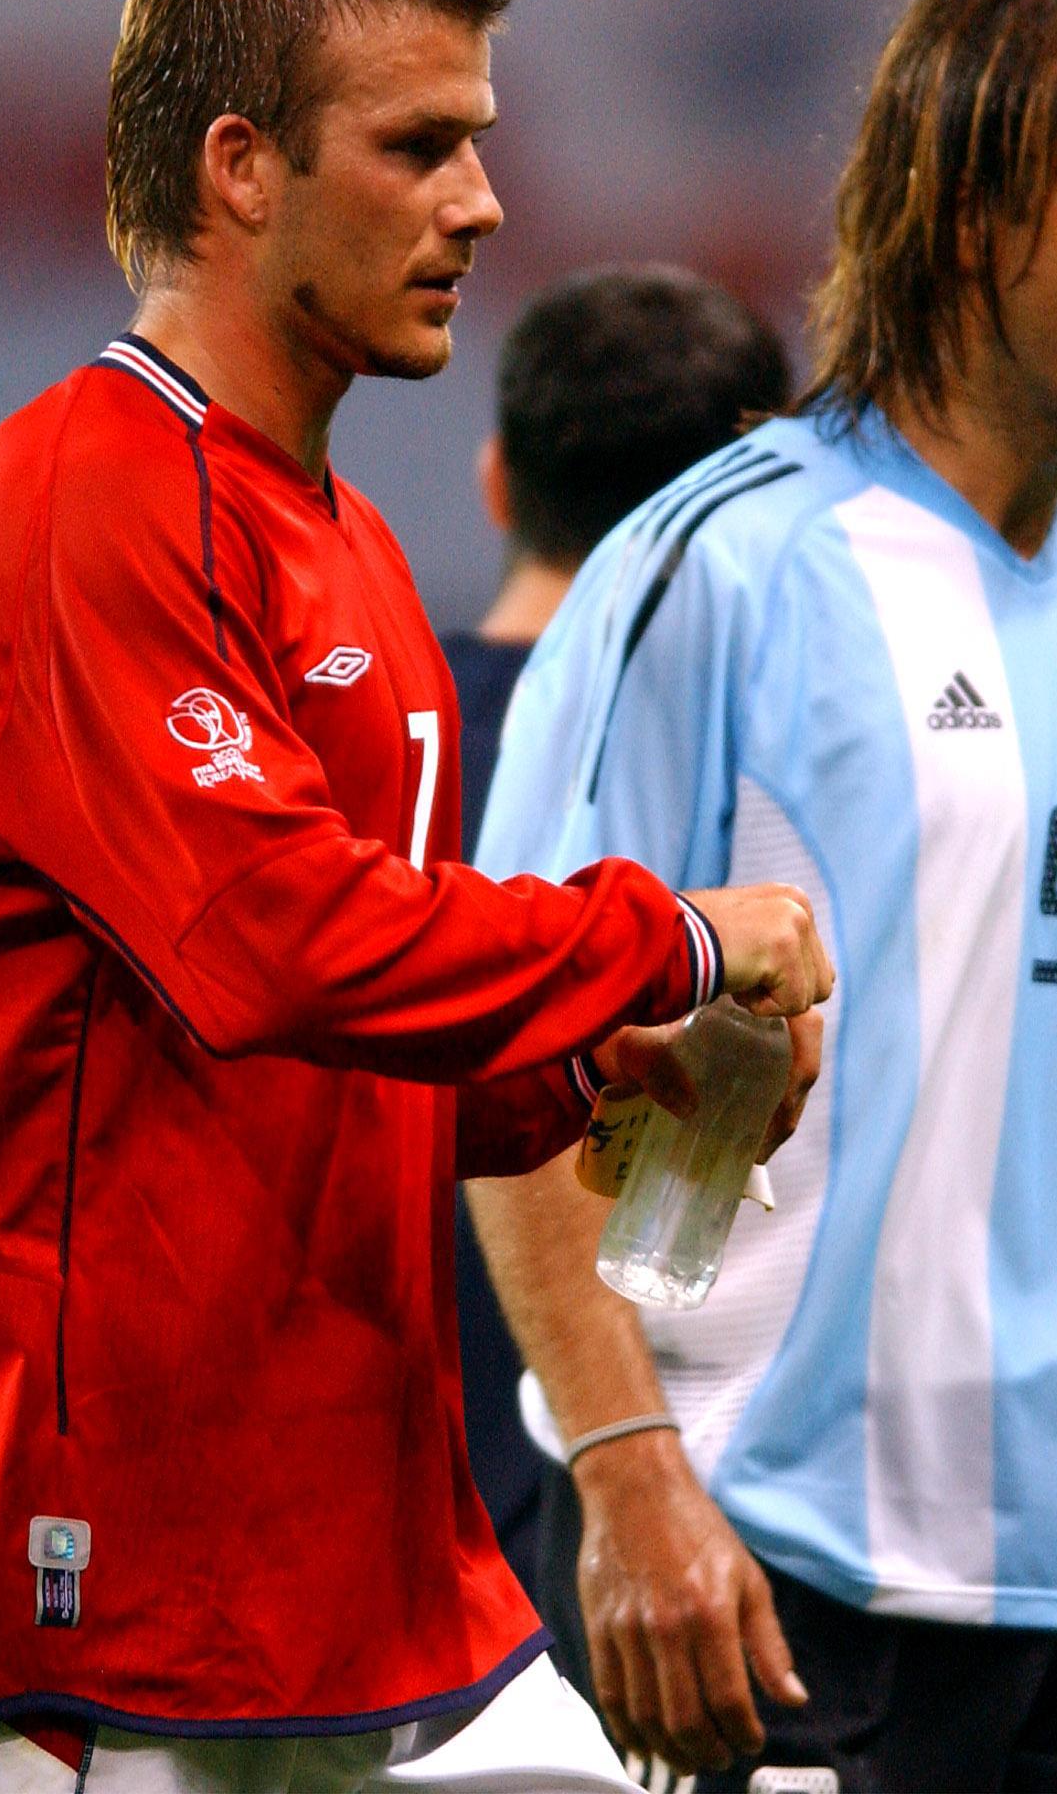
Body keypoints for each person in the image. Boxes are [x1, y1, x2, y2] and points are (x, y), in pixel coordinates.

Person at [0, 0, 832, 1794]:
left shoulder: (351, 549)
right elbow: (273, 942)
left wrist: (597, 1074)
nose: (478, 198)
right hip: (105, 1601)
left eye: (477, 139)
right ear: (239, 169)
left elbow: (349, 1057)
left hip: (352, 1590)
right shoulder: (85, 501)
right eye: (419, 143)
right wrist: (689, 932)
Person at [474, 0, 1057, 1791]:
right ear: (973, 202)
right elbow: (505, 1067)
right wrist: (628, 1472)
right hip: (768, 1591)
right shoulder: (721, 563)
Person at [442, 266, 793, 1576]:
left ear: (497, 482)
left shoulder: (341, 771)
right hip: (664, 1551)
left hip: (369, 1599)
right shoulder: (770, 836)